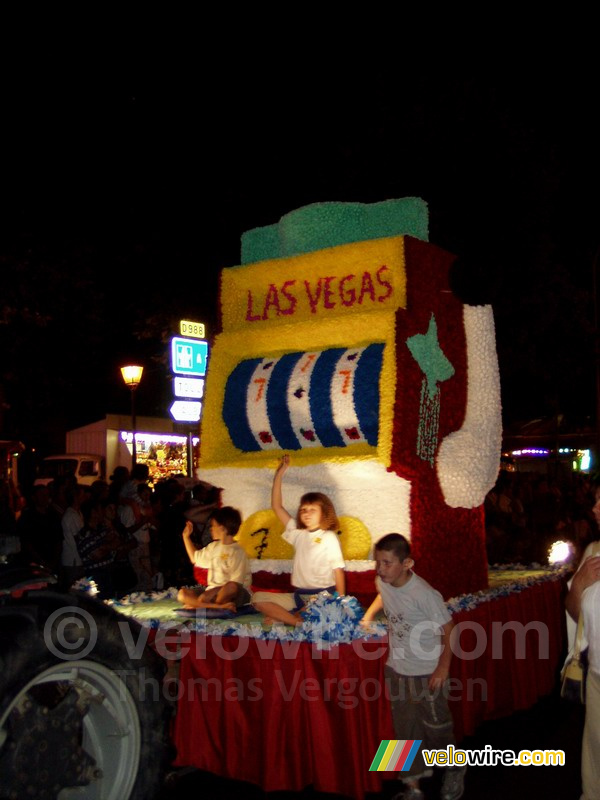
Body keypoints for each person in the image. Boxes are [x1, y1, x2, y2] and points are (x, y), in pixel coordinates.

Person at [361, 533, 464, 800]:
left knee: (436, 726)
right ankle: (412, 785)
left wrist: (443, 668)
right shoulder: (382, 581)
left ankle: (455, 767)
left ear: (407, 563)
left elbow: (450, 629)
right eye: (378, 563)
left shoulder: (424, 593)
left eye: (387, 563)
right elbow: (382, 595)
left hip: (427, 671)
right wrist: (369, 615)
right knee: (403, 727)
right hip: (396, 668)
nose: (380, 570)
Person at [252, 454, 345, 627]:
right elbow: (277, 507)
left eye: (312, 509)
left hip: (323, 596)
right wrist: (279, 474)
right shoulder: (298, 533)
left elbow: (338, 571)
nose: (306, 513)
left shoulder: (329, 537)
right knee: (257, 599)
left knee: (315, 612)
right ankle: (296, 620)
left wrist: (340, 601)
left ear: (324, 513)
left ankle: (289, 618)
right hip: (298, 596)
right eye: (303, 509)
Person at [565, 533, 600, 799]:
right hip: (597, 674)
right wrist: (578, 585)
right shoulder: (594, 551)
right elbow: (577, 615)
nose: (595, 508)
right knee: (595, 751)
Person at [177, 506, 251, 612]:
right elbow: (194, 558)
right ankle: (216, 607)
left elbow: (236, 583)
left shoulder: (238, 552)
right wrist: (186, 537)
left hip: (233, 593)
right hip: (211, 592)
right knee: (182, 594)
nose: (210, 529)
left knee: (231, 587)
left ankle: (201, 605)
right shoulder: (213, 547)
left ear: (223, 528)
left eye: (213, 526)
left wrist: (212, 592)